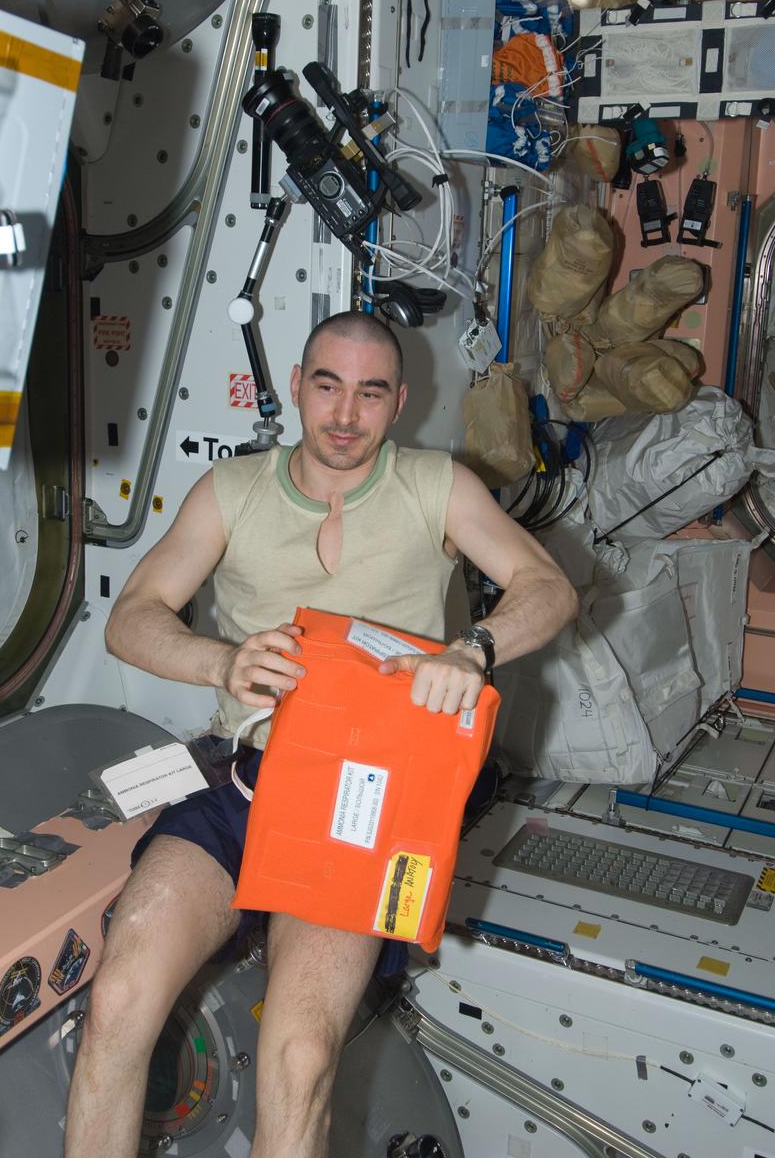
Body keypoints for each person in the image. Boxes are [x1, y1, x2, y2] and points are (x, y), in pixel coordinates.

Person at [64, 312, 577, 1158]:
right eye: (328, 386)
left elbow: (547, 589)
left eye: (370, 393)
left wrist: (472, 649)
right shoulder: (231, 491)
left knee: (300, 1059)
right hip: (244, 783)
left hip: (362, 808)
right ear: (298, 386)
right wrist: (219, 662)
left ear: (400, 402)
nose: (345, 415)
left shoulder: (435, 486)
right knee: (118, 1002)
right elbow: (132, 621)